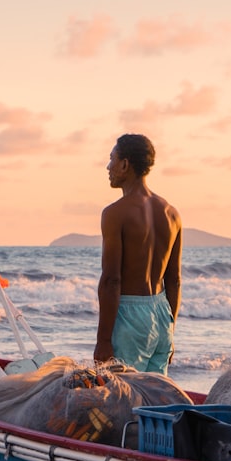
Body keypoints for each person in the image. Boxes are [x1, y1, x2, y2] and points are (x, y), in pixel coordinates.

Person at [94, 133, 182, 375]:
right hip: (162, 314)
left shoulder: (115, 213)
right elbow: (173, 280)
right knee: (154, 398)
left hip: (129, 317)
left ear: (125, 164)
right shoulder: (171, 214)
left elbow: (111, 280)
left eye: (112, 159)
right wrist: (170, 331)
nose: (108, 166)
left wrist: (103, 341)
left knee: (119, 399)